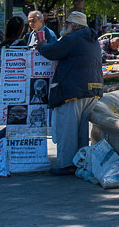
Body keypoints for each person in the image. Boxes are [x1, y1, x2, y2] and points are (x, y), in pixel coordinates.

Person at [36, 11, 103, 175]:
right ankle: (80, 161)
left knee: (67, 130)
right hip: (92, 90)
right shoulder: (92, 39)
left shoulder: (72, 38)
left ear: (74, 25)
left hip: (73, 90)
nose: (64, 26)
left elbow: (52, 51)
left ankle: (67, 164)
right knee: (81, 131)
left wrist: (41, 45)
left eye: (67, 23)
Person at [0, 16, 27, 128]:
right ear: (21, 30)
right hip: (16, 89)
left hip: (0, 89)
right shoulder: (22, 45)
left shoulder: (1, 46)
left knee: (0, 121)